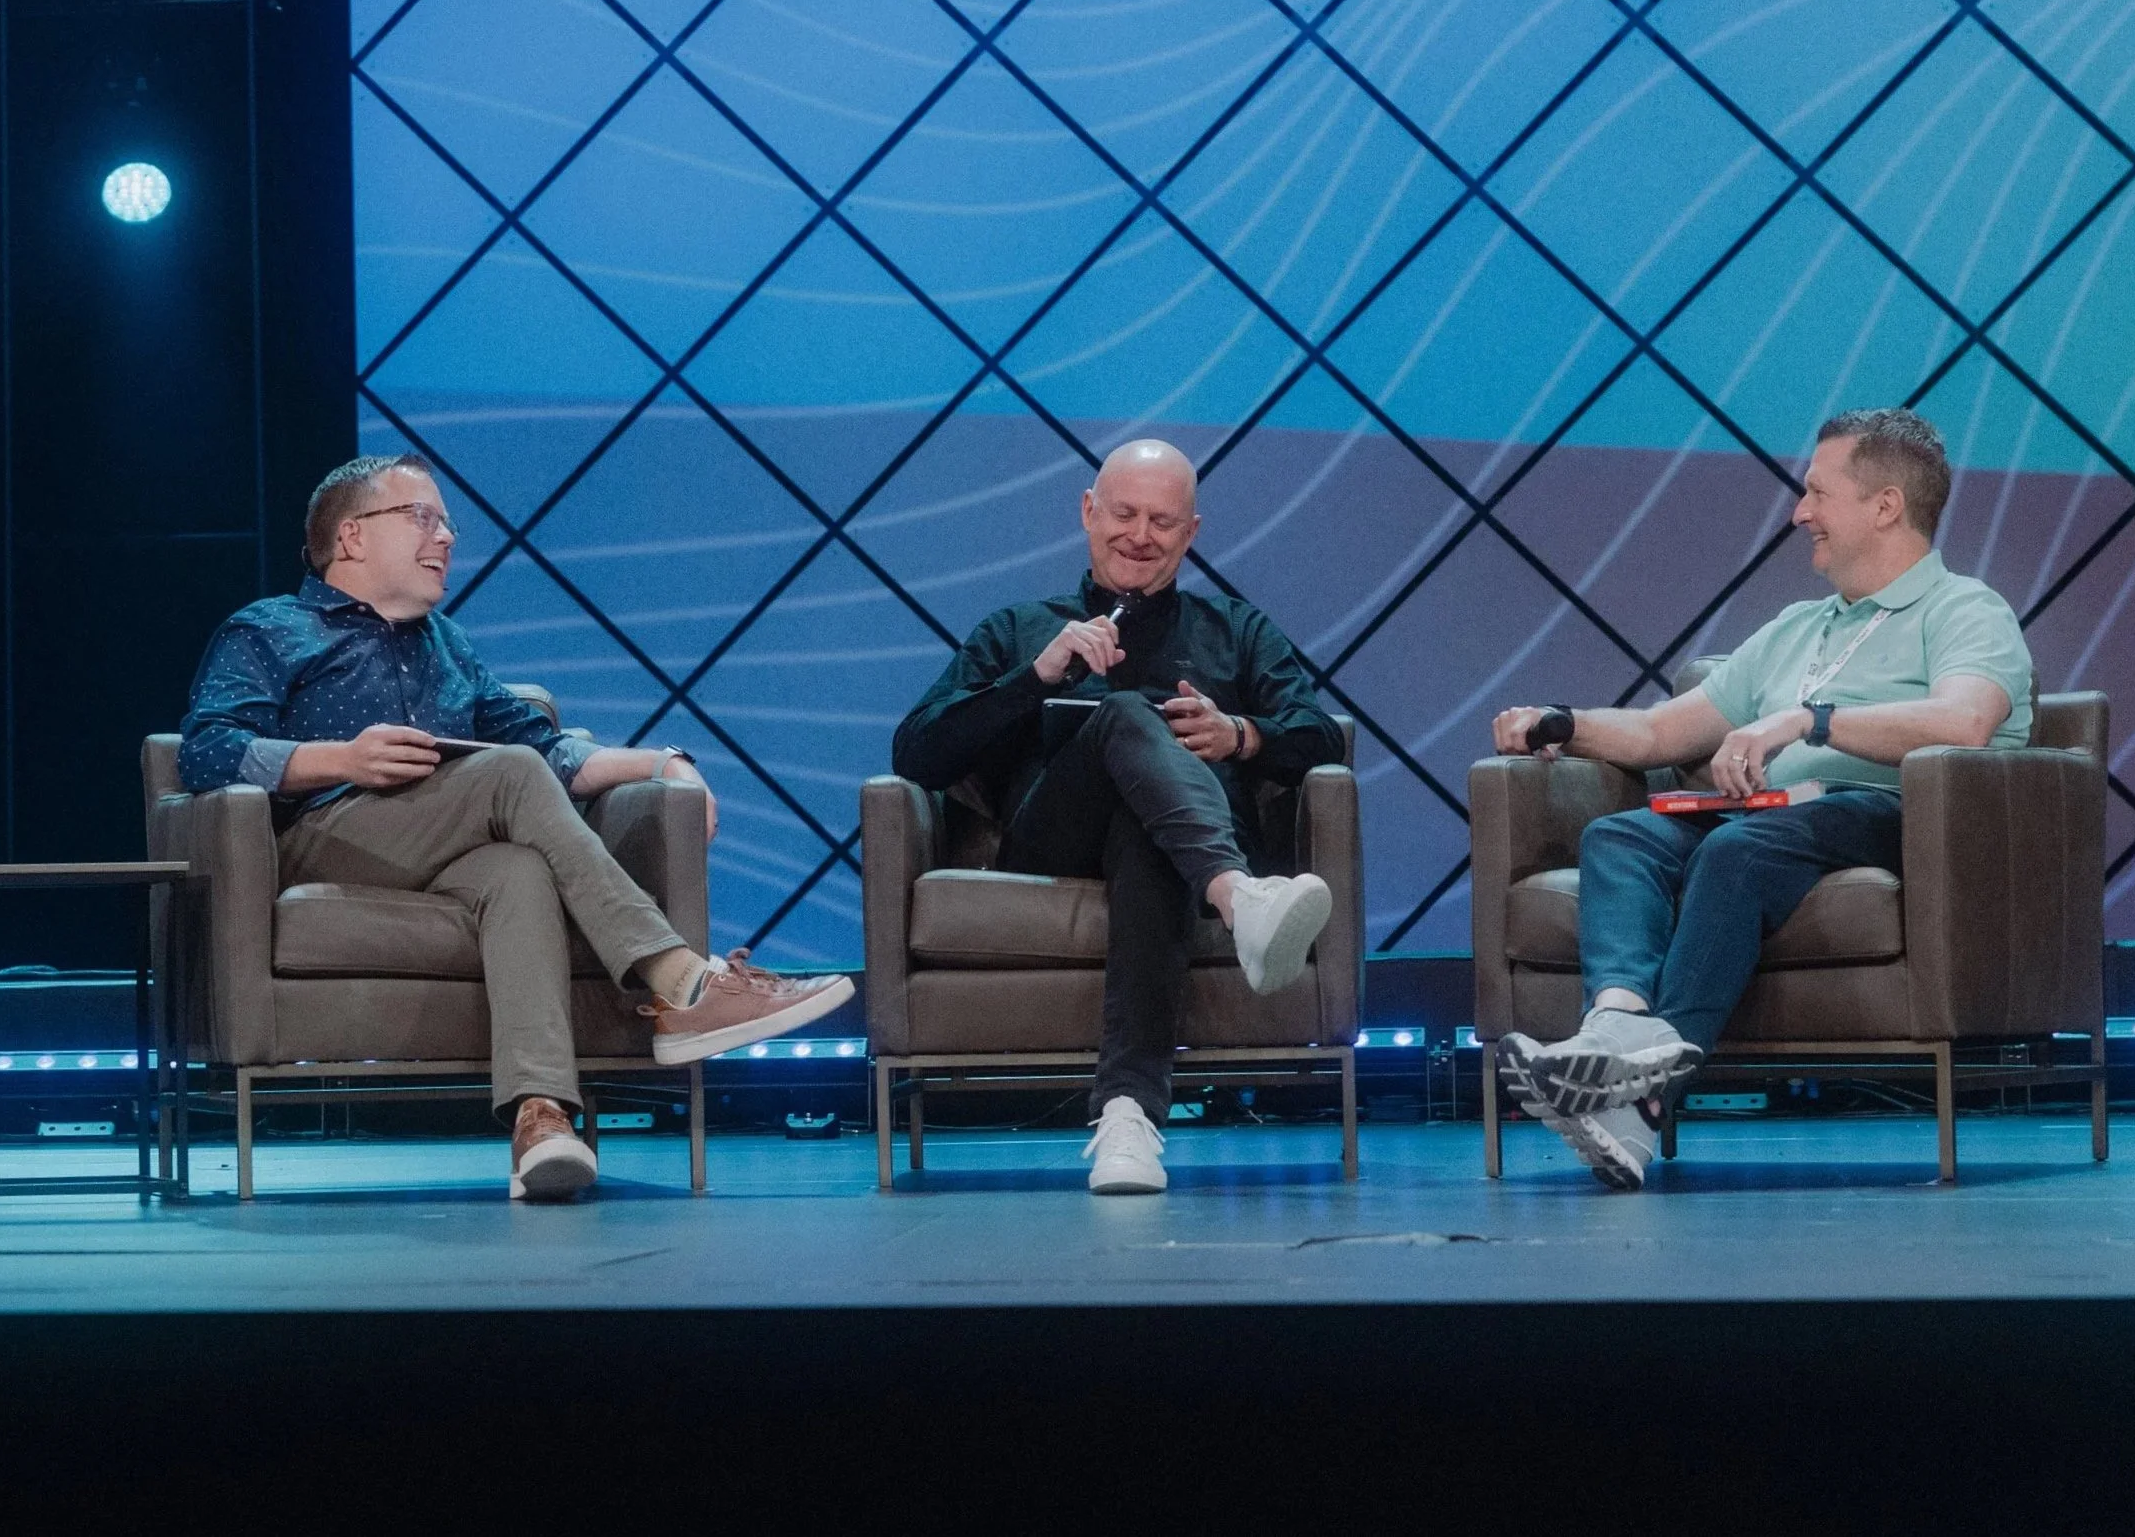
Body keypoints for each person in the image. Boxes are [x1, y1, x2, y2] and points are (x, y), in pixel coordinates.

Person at [179, 453, 853, 1202]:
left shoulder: (447, 645)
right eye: (422, 518)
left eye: (447, 523)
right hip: (326, 838)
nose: (445, 538)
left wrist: (665, 762)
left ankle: (542, 1119)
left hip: (448, 850)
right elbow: (208, 751)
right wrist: (343, 756)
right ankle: (684, 982)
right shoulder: (271, 628)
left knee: (518, 870)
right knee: (508, 774)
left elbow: (549, 748)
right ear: (352, 537)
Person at [1489, 408, 2033, 1190]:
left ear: (1884, 506)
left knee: (1738, 848)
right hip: (1782, 814)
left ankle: (1641, 1098)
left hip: (1894, 816)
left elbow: (1964, 722)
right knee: (1622, 836)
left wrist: (1807, 719)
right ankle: (1614, 1026)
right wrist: (1563, 723)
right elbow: (1657, 733)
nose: (1797, 512)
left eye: (1815, 493)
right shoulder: (1794, 628)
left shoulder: (1963, 609)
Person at [893, 439, 1343, 1195]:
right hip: (1050, 841)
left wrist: (1241, 733)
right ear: (1087, 513)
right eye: (1124, 513)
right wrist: (1034, 677)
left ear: (1190, 532)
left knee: (1147, 829)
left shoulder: (1234, 628)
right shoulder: (1018, 628)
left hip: (1169, 854)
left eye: (1161, 520)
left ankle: (1128, 1114)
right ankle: (1239, 897)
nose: (1140, 534)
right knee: (1129, 714)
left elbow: (1322, 735)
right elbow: (917, 751)